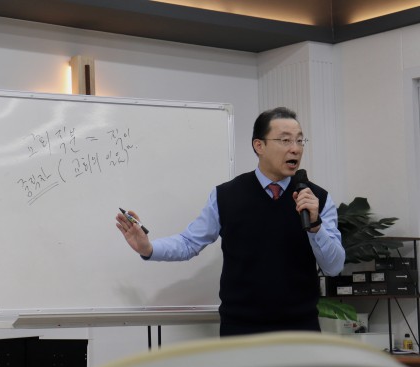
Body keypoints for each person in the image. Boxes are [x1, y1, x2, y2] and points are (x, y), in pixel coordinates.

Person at [115, 107, 345, 336]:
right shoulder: (226, 196)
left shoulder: (317, 199)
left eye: (299, 140)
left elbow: (334, 267)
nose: (295, 148)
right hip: (241, 331)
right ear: (259, 146)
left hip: (300, 331)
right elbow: (189, 243)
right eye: (285, 140)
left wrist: (315, 226)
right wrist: (148, 248)